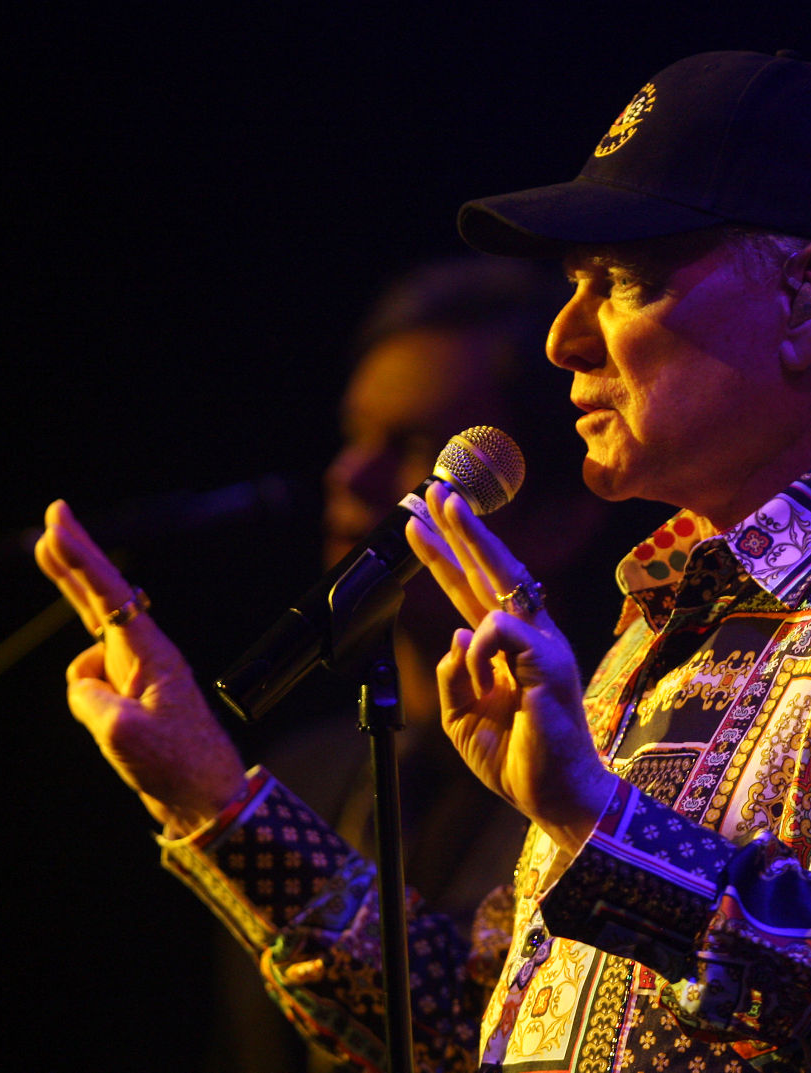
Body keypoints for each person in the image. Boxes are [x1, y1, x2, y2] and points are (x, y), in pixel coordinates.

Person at [36, 51, 811, 1073]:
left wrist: (594, 823)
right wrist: (220, 801)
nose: (564, 338)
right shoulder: (662, 626)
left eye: (618, 280)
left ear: (809, 299)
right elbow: (481, 1031)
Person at [205, 254, 634, 1073]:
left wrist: (212, 797)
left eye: (411, 449)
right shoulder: (302, 773)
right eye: (353, 436)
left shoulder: (602, 786)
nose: (349, 475)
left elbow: (473, 1042)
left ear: (560, 518)